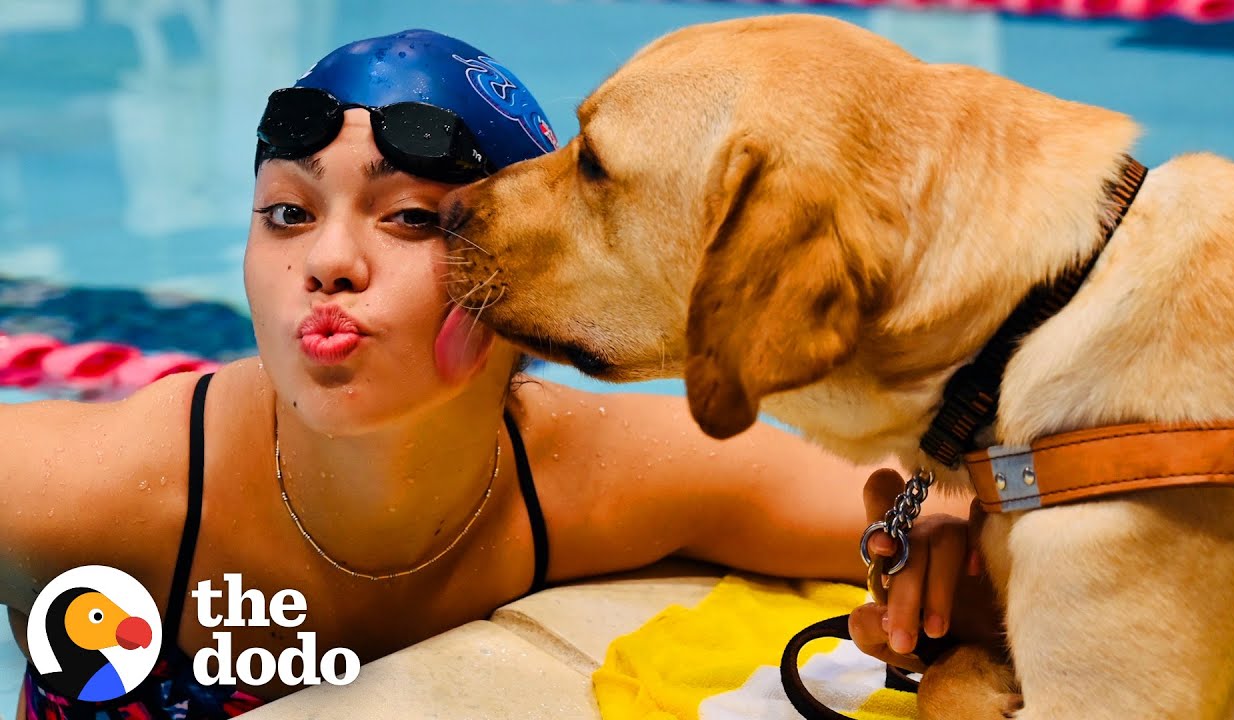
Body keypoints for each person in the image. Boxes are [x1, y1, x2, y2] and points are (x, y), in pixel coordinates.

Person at [0, 28, 983, 720]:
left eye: (412, 219)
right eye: (289, 214)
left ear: (530, 290)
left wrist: (929, 530)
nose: (326, 260)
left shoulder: (591, 475)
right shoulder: (93, 493)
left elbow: (928, 495)